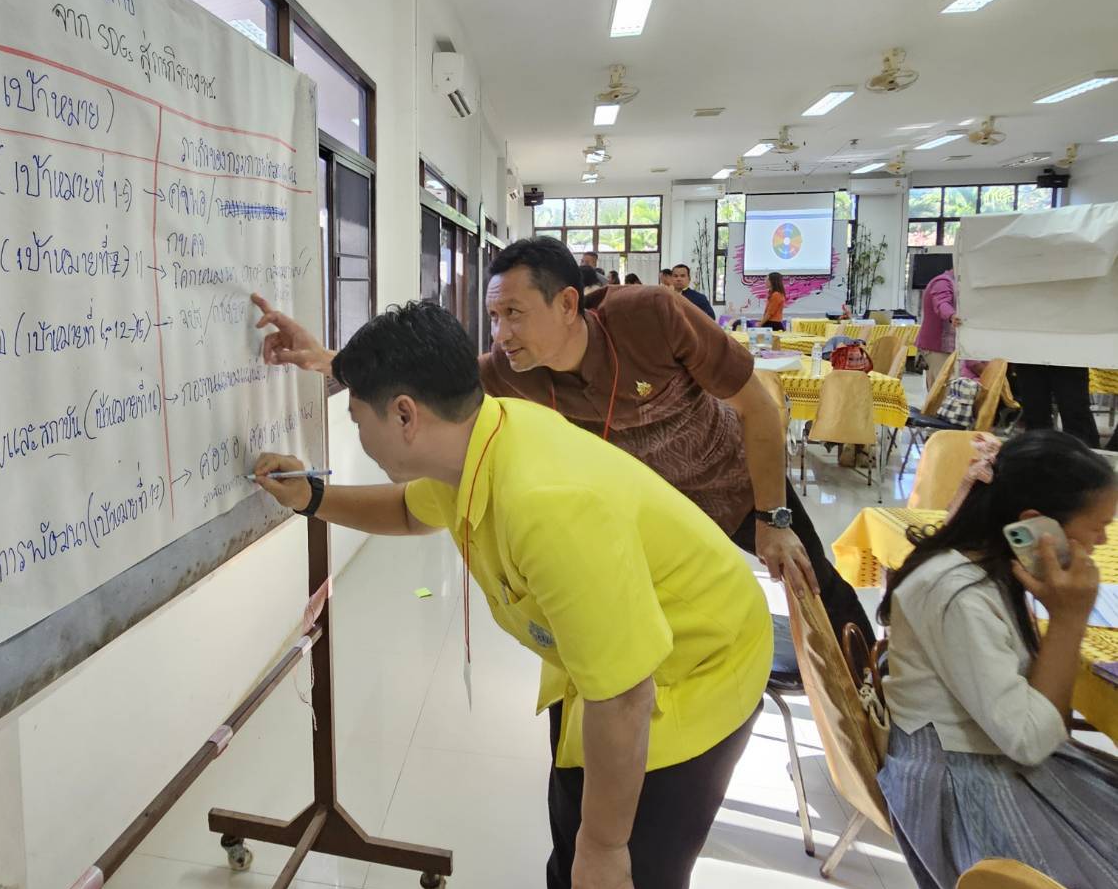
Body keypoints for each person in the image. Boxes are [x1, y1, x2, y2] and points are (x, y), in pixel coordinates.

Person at [252, 301, 772, 889]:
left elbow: (627, 698)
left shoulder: (546, 503)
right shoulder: (482, 436)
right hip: (609, 671)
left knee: (625, 884)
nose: (357, 434)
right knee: (573, 850)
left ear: (404, 415)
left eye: (356, 416)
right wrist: (312, 496)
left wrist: (605, 847)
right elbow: (405, 510)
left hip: (694, 671)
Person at [252, 236, 872, 642]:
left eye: (514, 315)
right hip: (645, 522)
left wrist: (775, 516)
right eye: (493, 318)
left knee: (820, 590)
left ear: (569, 303)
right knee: (666, 631)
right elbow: (415, 382)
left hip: (734, 485)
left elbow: (758, 408)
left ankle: (880, 720)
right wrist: (323, 358)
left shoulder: (652, 315)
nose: (500, 334)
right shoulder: (508, 374)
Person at [877, 430, 1118, 889]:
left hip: (990, 759)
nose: (1104, 539)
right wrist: (1069, 620)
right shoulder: (955, 593)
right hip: (963, 785)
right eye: (1097, 526)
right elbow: (1029, 741)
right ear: (1034, 525)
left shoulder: (981, 572)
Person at [1011, 362, 1101, 448]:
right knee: (1035, 417)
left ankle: (1086, 458)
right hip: (1029, 358)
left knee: (1076, 416)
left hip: (1069, 357)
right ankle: (1037, 457)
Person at [917, 268, 958, 390]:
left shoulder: (958, 283)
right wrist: (952, 315)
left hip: (949, 347)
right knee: (942, 392)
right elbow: (941, 303)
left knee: (940, 391)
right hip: (937, 347)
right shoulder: (943, 282)